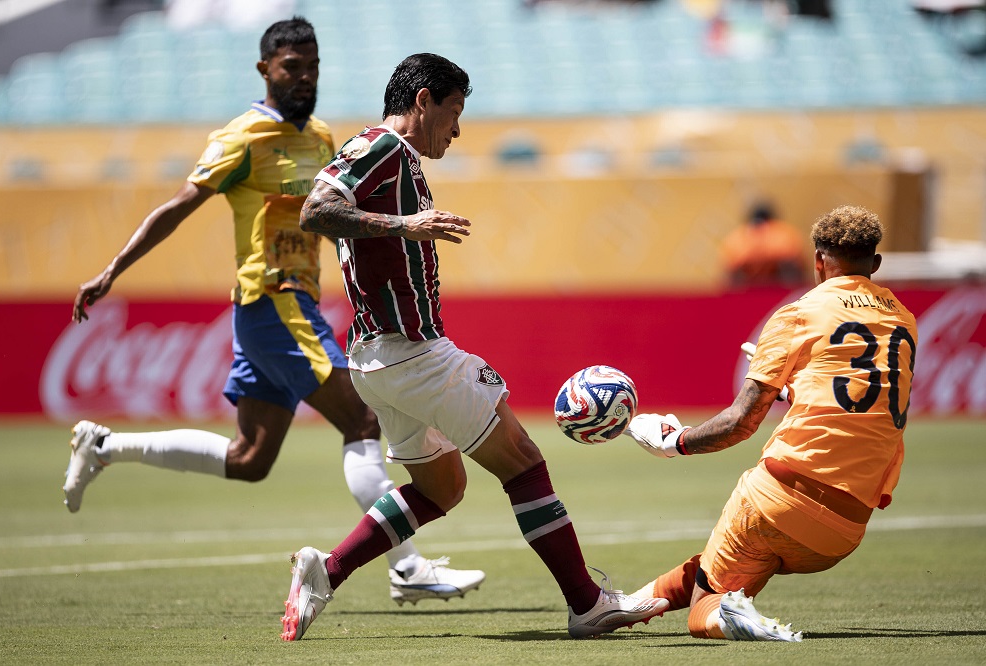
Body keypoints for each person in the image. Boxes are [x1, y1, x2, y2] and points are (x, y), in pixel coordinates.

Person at [63, 16, 484, 607]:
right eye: (292, 67)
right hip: (271, 298)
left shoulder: (320, 136)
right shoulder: (243, 136)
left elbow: (340, 217)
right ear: (265, 69)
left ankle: (105, 447)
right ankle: (406, 566)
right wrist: (113, 270)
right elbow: (181, 205)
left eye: (313, 66)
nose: (305, 77)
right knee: (363, 420)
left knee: (251, 457)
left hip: (293, 302)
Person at [281, 52, 669, 642]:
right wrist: (404, 226)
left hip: (376, 360)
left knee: (444, 487)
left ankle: (326, 572)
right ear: (422, 102)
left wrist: (401, 227)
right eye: (454, 111)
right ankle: (588, 604)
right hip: (412, 354)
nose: (458, 129)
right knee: (524, 463)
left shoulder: (393, 157)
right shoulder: (381, 147)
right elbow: (314, 211)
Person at [626, 205, 917, 641]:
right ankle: (621, 607)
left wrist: (676, 441)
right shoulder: (904, 321)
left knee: (707, 606)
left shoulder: (800, 313)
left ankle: (725, 616)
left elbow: (740, 424)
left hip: (779, 499)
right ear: (874, 264)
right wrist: (793, 390)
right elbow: (859, 396)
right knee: (722, 564)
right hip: (846, 528)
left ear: (818, 260)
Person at [720, 201, 807, 288]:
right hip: (782, 292)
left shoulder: (736, 238)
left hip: (748, 292)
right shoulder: (784, 233)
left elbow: (731, 272)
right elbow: (796, 267)